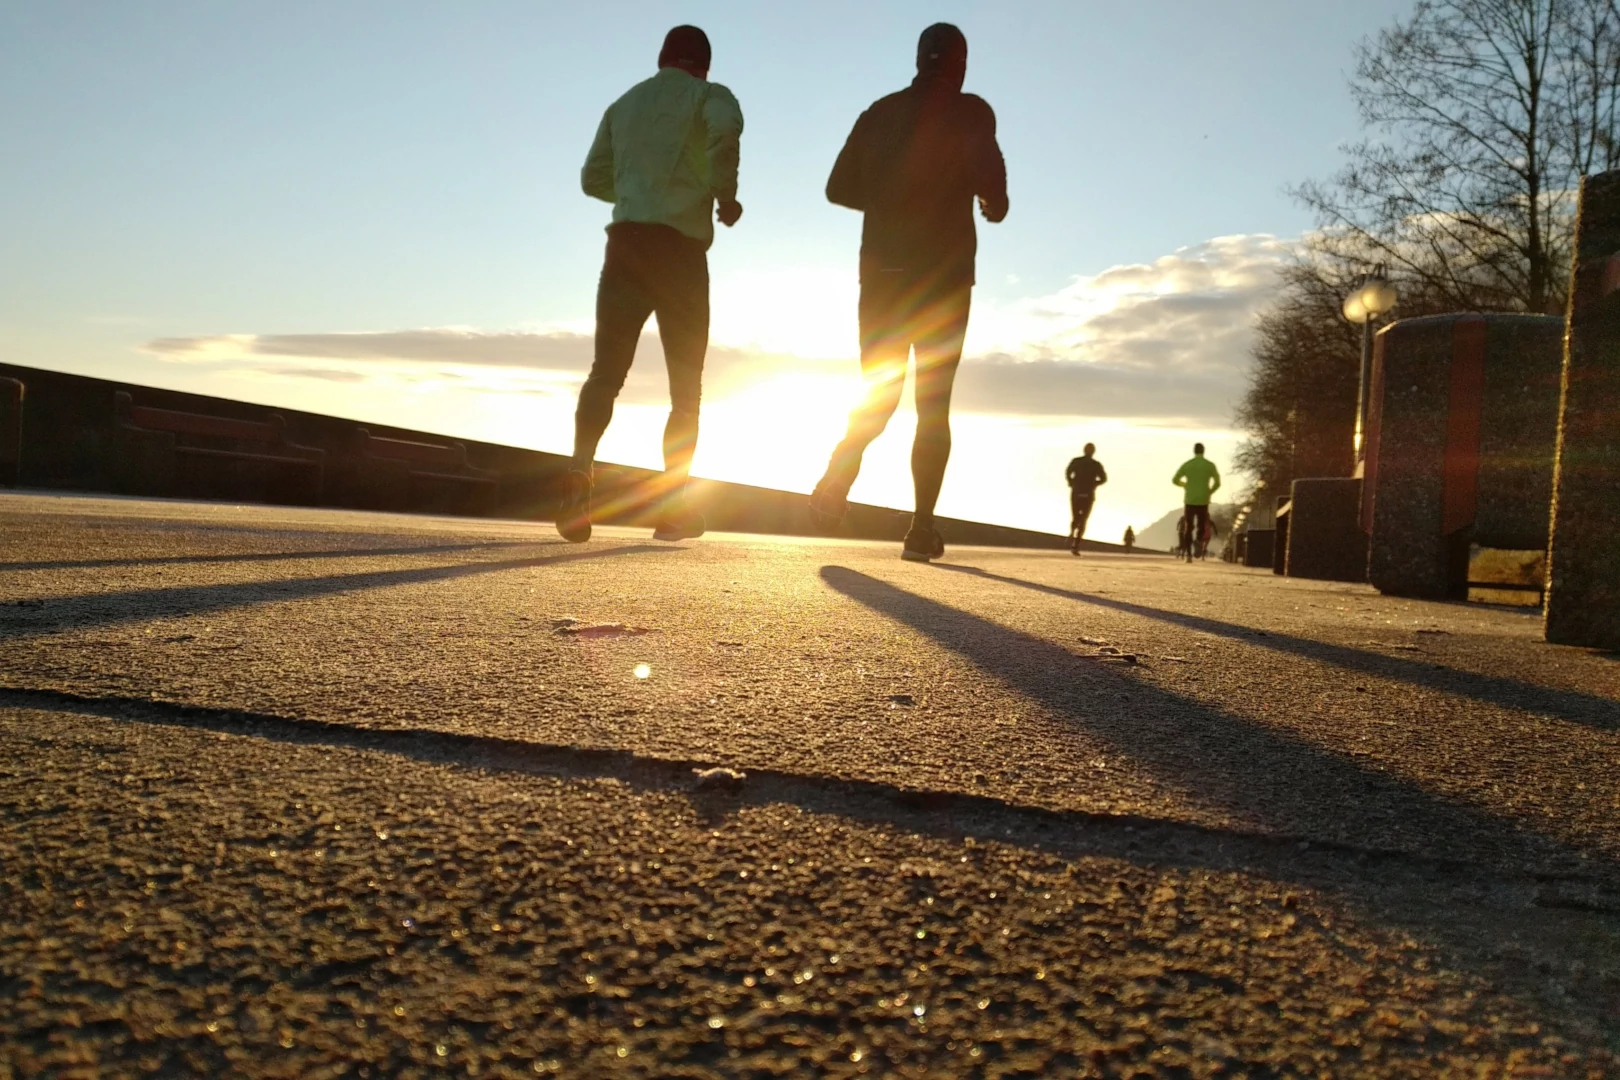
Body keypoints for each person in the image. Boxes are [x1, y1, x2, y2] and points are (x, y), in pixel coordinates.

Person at [805, 23, 1009, 562]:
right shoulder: (972, 113)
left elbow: (836, 188)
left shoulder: (879, 112)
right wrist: (991, 203)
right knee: (933, 405)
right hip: (943, 280)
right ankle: (920, 529)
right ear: (961, 65)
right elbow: (996, 191)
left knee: (880, 391)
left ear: (919, 59)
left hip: (883, 277)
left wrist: (891, 197)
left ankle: (836, 476)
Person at [555, 25, 744, 543]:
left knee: (606, 373)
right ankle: (672, 509)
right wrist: (724, 195)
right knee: (686, 393)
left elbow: (593, 178)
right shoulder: (712, 97)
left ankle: (578, 473)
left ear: (661, 58)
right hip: (680, 255)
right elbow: (724, 136)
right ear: (704, 64)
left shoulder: (625, 103)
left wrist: (638, 188)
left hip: (625, 246)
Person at [1172, 442, 1221, 557]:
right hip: (1203, 500)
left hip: (1189, 499)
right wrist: (1209, 491)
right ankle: (1198, 541)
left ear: (1194, 451)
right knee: (1201, 525)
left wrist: (1184, 485)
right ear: (1203, 451)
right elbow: (1217, 483)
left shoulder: (1188, 465)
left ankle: (1188, 554)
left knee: (1188, 527)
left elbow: (1175, 480)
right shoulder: (1210, 465)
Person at [1065, 443, 1106, 554]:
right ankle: (1076, 545)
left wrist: (1071, 482)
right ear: (1093, 452)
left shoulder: (1076, 461)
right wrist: (1094, 484)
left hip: (1076, 492)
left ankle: (1072, 531)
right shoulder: (1096, 464)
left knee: (1076, 516)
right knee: (1083, 519)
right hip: (1088, 493)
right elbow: (1104, 479)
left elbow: (1068, 472)